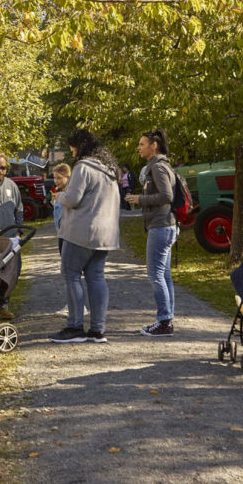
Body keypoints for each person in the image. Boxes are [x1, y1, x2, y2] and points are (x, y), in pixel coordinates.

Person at [52, 130, 121, 343]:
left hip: (81, 233)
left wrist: (59, 196)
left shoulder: (83, 167)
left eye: (73, 148)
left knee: (71, 274)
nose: (72, 153)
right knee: (96, 277)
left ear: (81, 147)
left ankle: (74, 326)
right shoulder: (109, 170)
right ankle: (98, 329)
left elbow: (73, 199)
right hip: (105, 235)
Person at [126, 128, 179, 337]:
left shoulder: (158, 167)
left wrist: (140, 200)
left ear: (153, 145)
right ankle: (167, 320)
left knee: (155, 274)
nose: (139, 148)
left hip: (161, 226)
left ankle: (164, 322)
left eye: (142, 144)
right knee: (164, 275)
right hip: (165, 225)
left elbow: (167, 196)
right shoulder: (162, 166)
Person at [50, 162, 71, 247]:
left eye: (59, 178)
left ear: (68, 177)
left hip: (69, 236)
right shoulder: (58, 191)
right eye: (55, 178)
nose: (56, 181)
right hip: (60, 234)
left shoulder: (70, 193)